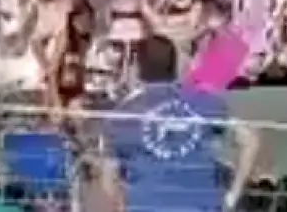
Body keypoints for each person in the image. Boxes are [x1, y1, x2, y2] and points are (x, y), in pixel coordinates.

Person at [100, 34, 259, 212]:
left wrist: (122, 206)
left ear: (137, 67)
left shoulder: (122, 115)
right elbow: (250, 140)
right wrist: (232, 195)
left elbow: (109, 179)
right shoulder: (203, 100)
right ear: (175, 65)